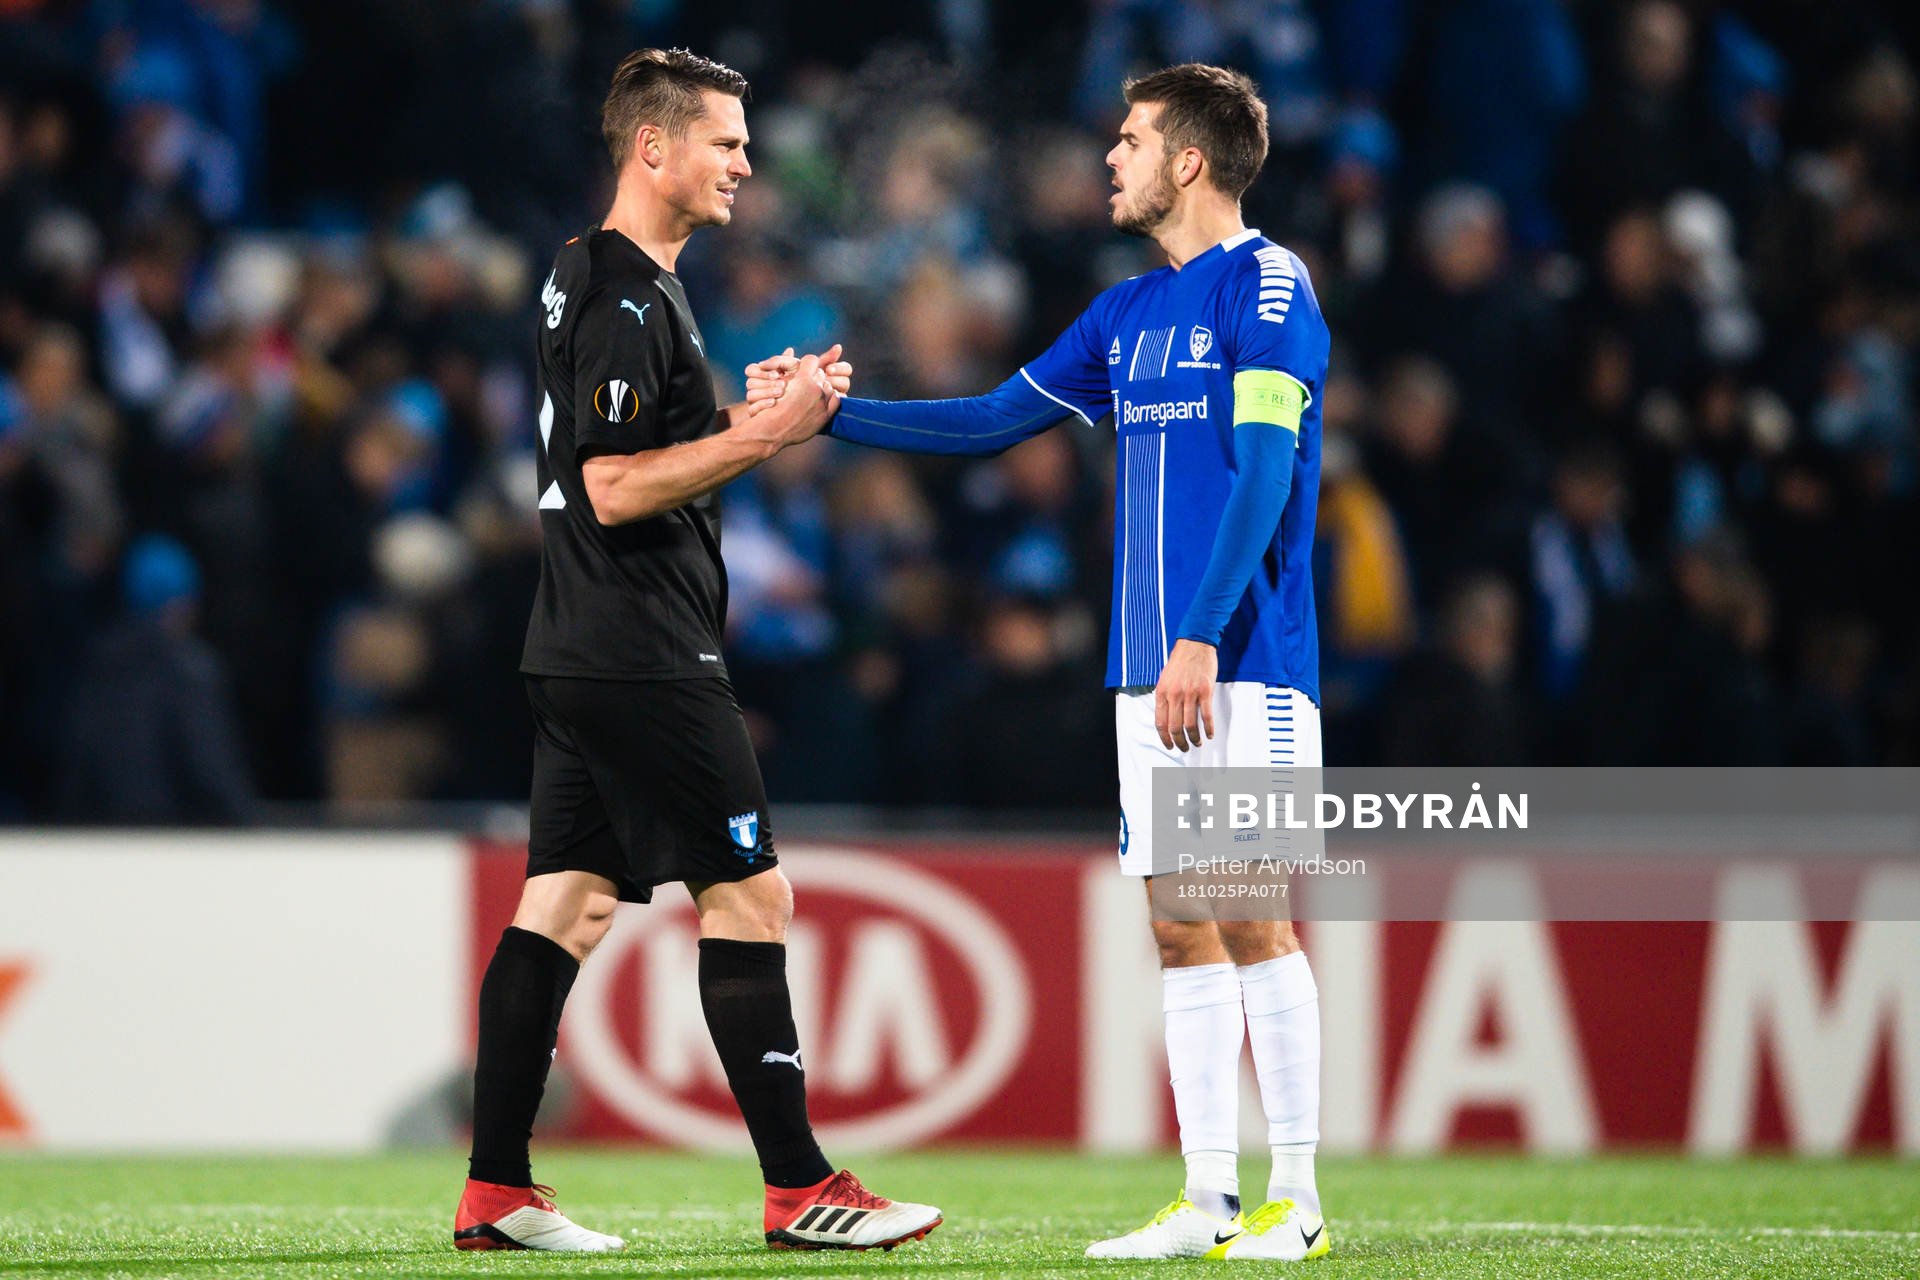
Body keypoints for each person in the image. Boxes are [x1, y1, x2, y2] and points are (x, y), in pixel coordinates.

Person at [751, 62, 1331, 1262]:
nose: (1110, 159)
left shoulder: (1271, 287)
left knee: (1254, 915)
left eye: (1129, 140)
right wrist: (824, 413)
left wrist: (1199, 635)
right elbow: (984, 422)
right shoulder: (1124, 312)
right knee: (1181, 927)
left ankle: (1301, 1200)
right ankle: (1208, 1199)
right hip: (1145, 672)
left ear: (1188, 159)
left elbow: (1268, 471)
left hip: (1250, 663)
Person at [455, 48, 941, 1255]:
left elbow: (624, 455)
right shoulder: (627, 294)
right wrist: (765, 439)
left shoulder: (593, 275)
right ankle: (798, 1186)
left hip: (576, 640)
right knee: (752, 894)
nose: (745, 163)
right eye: (724, 141)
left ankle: (496, 1188)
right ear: (653, 148)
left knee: (563, 905)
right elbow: (615, 487)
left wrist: (759, 412)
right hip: (642, 647)